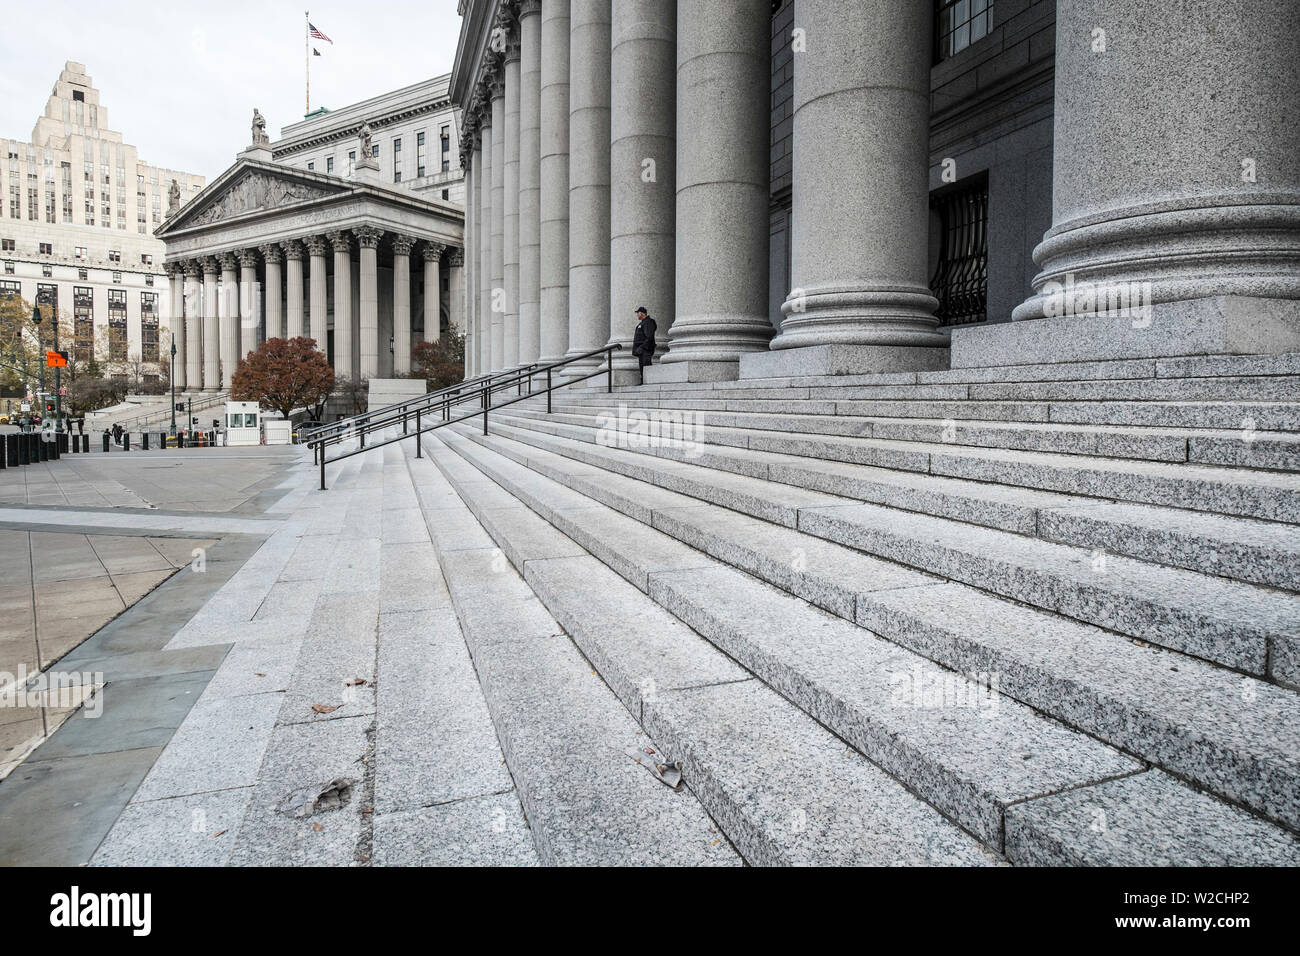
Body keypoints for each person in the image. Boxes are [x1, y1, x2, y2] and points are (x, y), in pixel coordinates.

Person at [631, 306, 657, 384]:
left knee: (646, 366)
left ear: (642, 313)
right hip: (642, 350)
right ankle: (643, 381)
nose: (637, 315)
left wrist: (642, 347)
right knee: (642, 366)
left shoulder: (648, 322)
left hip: (645, 349)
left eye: (638, 313)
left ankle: (648, 382)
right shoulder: (643, 322)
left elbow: (649, 337)